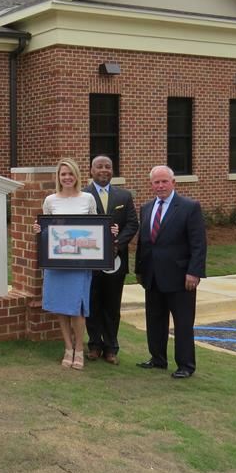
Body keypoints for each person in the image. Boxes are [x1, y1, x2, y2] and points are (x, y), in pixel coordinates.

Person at [134, 165, 207, 378]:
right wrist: (140, 270)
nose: (160, 185)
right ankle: (158, 359)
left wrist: (194, 272)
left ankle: (185, 365)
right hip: (153, 276)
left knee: (183, 323)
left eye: (164, 181)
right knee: (155, 320)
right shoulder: (146, 208)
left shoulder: (189, 207)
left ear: (173, 183)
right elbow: (143, 243)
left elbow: (198, 244)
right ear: (151, 185)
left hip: (181, 277)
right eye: (156, 182)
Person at [33, 158, 98, 370]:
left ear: (77, 176)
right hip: (57, 262)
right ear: (58, 177)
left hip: (80, 263)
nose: (67, 177)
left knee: (78, 307)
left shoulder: (87, 198)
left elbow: (97, 227)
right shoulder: (50, 200)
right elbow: (47, 231)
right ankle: (68, 348)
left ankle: (80, 349)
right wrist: (39, 231)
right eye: (63, 174)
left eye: (70, 174)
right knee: (61, 307)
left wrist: (110, 232)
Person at [83, 155, 139, 364]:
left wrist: (116, 245)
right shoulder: (83, 195)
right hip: (90, 261)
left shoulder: (124, 197)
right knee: (93, 304)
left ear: (112, 171)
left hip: (116, 261)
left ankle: (111, 348)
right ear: (91, 170)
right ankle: (95, 345)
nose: (104, 170)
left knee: (112, 307)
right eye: (99, 166)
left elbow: (132, 224)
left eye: (108, 166)